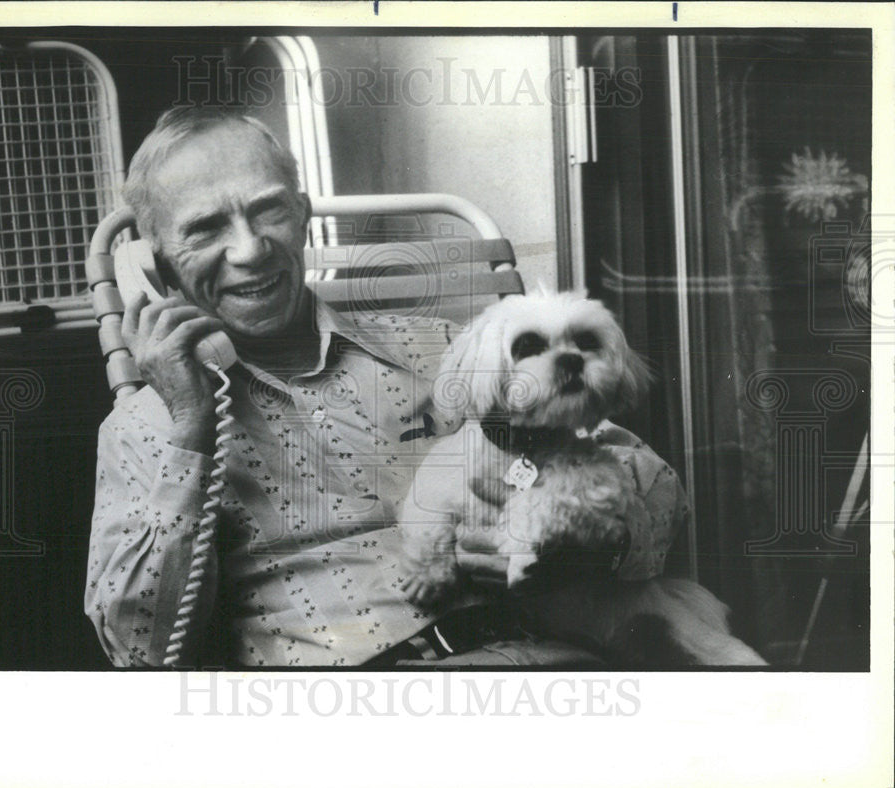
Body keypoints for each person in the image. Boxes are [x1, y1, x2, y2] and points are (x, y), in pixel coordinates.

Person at [85, 106, 687, 668]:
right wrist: (190, 425)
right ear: (157, 264)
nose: (249, 249)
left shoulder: (451, 353)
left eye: (267, 210)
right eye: (206, 227)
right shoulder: (145, 429)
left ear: (302, 214)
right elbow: (141, 649)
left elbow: (657, 487)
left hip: (553, 662)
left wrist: (587, 552)